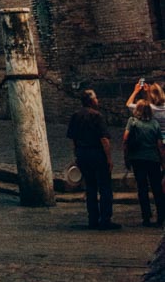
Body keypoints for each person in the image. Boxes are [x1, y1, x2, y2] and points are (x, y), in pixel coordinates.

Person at [66, 88, 119, 230]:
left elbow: (73, 139)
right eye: (95, 98)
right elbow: (104, 139)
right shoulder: (97, 116)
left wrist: (76, 154)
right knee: (105, 187)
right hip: (97, 154)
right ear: (91, 101)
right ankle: (105, 219)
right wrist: (109, 158)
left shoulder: (75, 116)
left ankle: (93, 219)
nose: (97, 100)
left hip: (83, 154)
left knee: (90, 187)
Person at [123, 99, 165, 227]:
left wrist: (126, 157)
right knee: (157, 189)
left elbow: (125, 140)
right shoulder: (154, 124)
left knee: (142, 188)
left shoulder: (132, 122)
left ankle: (146, 216)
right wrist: (163, 161)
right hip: (153, 159)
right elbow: (159, 145)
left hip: (137, 159)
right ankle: (161, 216)